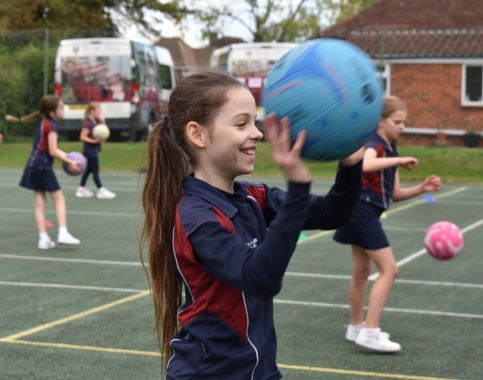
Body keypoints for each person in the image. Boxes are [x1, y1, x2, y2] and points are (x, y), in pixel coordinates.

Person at [140, 72, 364, 379]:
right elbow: (259, 278)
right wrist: (297, 188)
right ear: (198, 135)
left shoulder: (251, 196)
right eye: (241, 123)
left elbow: (331, 214)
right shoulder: (197, 217)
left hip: (258, 370)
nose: (257, 133)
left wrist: (350, 164)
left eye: (255, 122)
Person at [333, 95, 442, 353]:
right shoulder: (373, 143)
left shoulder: (390, 146)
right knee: (390, 269)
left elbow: (393, 194)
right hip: (360, 210)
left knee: (361, 270)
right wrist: (400, 161)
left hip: (365, 210)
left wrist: (421, 188)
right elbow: (366, 164)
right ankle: (370, 331)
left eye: (404, 123)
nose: (402, 127)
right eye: (397, 122)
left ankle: (356, 326)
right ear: (381, 121)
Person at [19, 95, 81, 250]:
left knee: (40, 203)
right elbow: (53, 151)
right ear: (52, 112)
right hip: (42, 165)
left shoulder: (45, 122)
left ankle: (43, 238)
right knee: (59, 198)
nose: (63, 110)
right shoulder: (52, 126)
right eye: (61, 107)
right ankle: (63, 232)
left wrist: (67, 156)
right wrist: (69, 161)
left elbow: (51, 149)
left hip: (32, 164)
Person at [75, 102, 116, 199]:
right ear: (92, 111)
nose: (100, 113)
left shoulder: (95, 121)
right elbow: (82, 137)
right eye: (99, 111)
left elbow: (103, 131)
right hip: (90, 151)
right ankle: (100, 190)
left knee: (89, 170)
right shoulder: (88, 122)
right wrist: (94, 141)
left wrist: (103, 122)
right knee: (95, 171)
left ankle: (81, 189)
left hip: (94, 150)